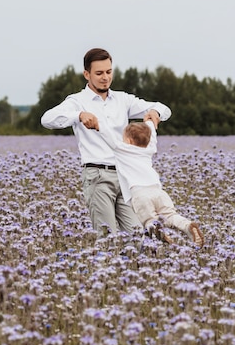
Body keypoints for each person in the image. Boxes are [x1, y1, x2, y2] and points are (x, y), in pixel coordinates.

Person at [41, 47, 172, 237]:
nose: (105, 77)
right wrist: (78, 115)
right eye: (99, 73)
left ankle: (131, 266)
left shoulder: (122, 99)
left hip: (125, 176)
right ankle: (103, 265)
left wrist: (155, 113)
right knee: (107, 236)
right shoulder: (77, 101)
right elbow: (47, 119)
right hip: (97, 176)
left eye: (109, 72)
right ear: (87, 74)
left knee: (138, 235)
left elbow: (163, 108)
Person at [99, 120, 204, 248]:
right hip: (158, 191)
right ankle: (187, 225)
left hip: (140, 193)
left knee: (148, 220)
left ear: (130, 141)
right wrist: (150, 122)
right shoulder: (149, 149)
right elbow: (152, 137)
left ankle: (158, 232)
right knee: (171, 215)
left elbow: (110, 139)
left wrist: (98, 125)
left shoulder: (123, 150)